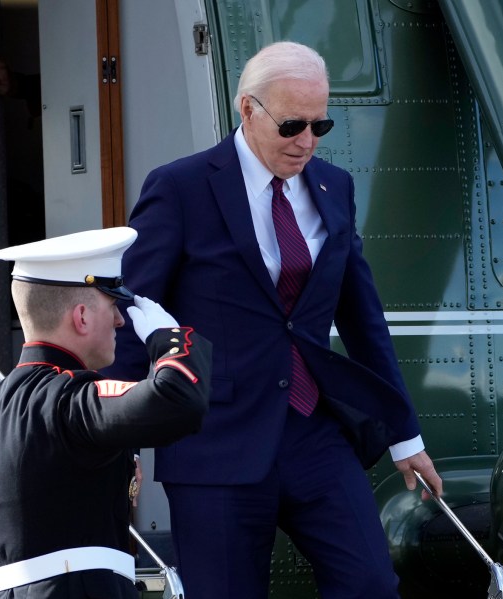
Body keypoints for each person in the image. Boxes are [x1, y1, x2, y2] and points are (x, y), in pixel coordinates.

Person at [104, 41, 443, 598]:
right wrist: (114, 435)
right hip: (215, 441)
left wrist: (405, 434)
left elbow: (363, 316)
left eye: (320, 125)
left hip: (314, 433)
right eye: (292, 125)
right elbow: (133, 307)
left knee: (371, 584)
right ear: (248, 110)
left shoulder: (335, 187)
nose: (307, 141)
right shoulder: (182, 187)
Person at [0, 227, 212, 598]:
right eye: (112, 307)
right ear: (81, 317)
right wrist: (170, 339)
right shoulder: (70, 399)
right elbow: (177, 401)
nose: (121, 322)